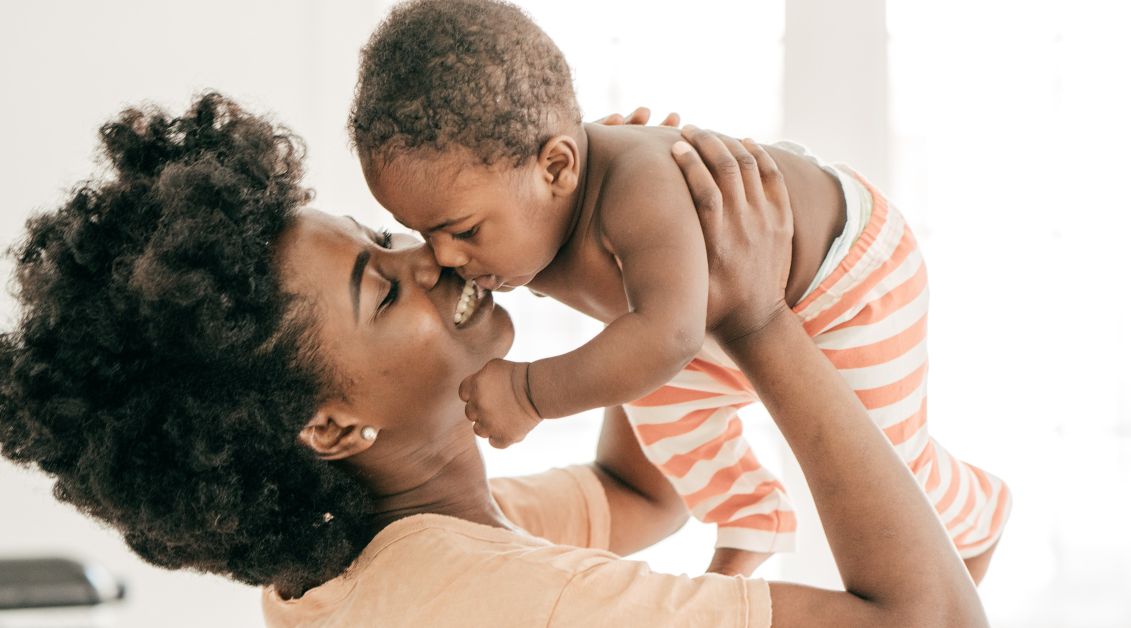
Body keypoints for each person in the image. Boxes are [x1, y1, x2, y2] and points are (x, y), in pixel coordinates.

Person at [0, 93, 987, 626]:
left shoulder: (358, 559)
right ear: (334, 425)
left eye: (379, 233)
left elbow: (638, 494)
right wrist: (760, 320)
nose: (426, 255)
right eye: (382, 287)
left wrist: (639, 265)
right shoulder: (507, 602)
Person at [349, 0, 1010, 577]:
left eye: (458, 229)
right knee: (667, 414)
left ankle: (976, 512)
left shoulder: (639, 186)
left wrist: (531, 391)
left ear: (557, 166)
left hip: (846, 281)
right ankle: (752, 518)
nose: (440, 256)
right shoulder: (533, 212)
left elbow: (668, 334)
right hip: (712, 320)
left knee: (885, 462)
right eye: (416, 231)